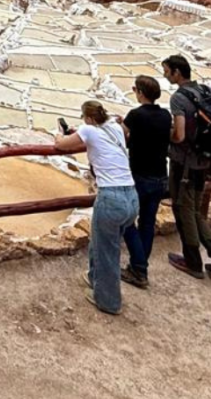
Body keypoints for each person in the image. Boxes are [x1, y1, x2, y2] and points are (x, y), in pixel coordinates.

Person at [51, 100, 136, 315]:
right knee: (102, 240)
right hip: (131, 195)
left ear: (87, 117)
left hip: (111, 197)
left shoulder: (87, 129)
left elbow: (61, 145)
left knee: (108, 250)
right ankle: (93, 278)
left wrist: (57, 135)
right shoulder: (115, 127)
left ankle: (109, 302)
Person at [162, 54, 211, 280]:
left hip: (185, 164)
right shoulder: (206, 91)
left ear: (176, 72)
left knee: (184, 211)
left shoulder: (179, 98)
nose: (164, 75)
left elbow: (180, 134)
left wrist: (166, 137)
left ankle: (192, 261)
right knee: (194, 211)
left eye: (166, 70)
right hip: (205, 162)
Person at [120, 75, 172, 288]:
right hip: (160, 175)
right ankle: (138, 266)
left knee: (125, 219)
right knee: (148, 222)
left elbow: (121, 137)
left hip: (140, 176)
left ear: (140, 92)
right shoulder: (165, 115)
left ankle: (140, 268)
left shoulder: (135, 115)